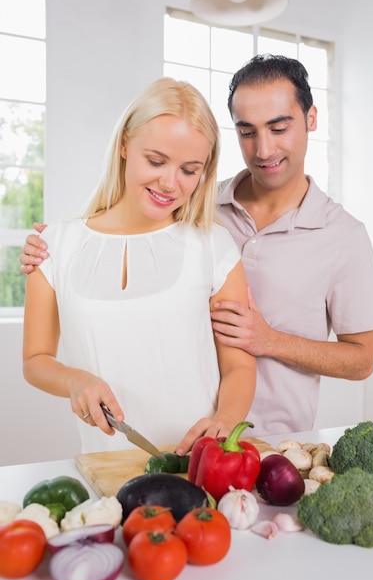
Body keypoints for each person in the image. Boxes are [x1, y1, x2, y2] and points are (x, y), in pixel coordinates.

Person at [20, 55, 373, 437]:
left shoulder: (341, 236)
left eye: (279, 128)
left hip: (277, 440)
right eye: (247, 131)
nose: (263, 149)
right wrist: (61, 245)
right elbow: (129, 227)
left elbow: (361, 360)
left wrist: (270, 341)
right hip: (184, 443)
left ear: (311, 118)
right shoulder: (199, 208)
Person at [22, 77, 256, 457]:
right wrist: (74, 380)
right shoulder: (54, 246)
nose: (169, 183)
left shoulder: (214, 246)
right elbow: (35, 361)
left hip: (196, 466)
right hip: (105, 466)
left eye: (189, 169)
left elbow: (239, 367)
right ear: (125, 145)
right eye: (156, 161)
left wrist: (226, 422)